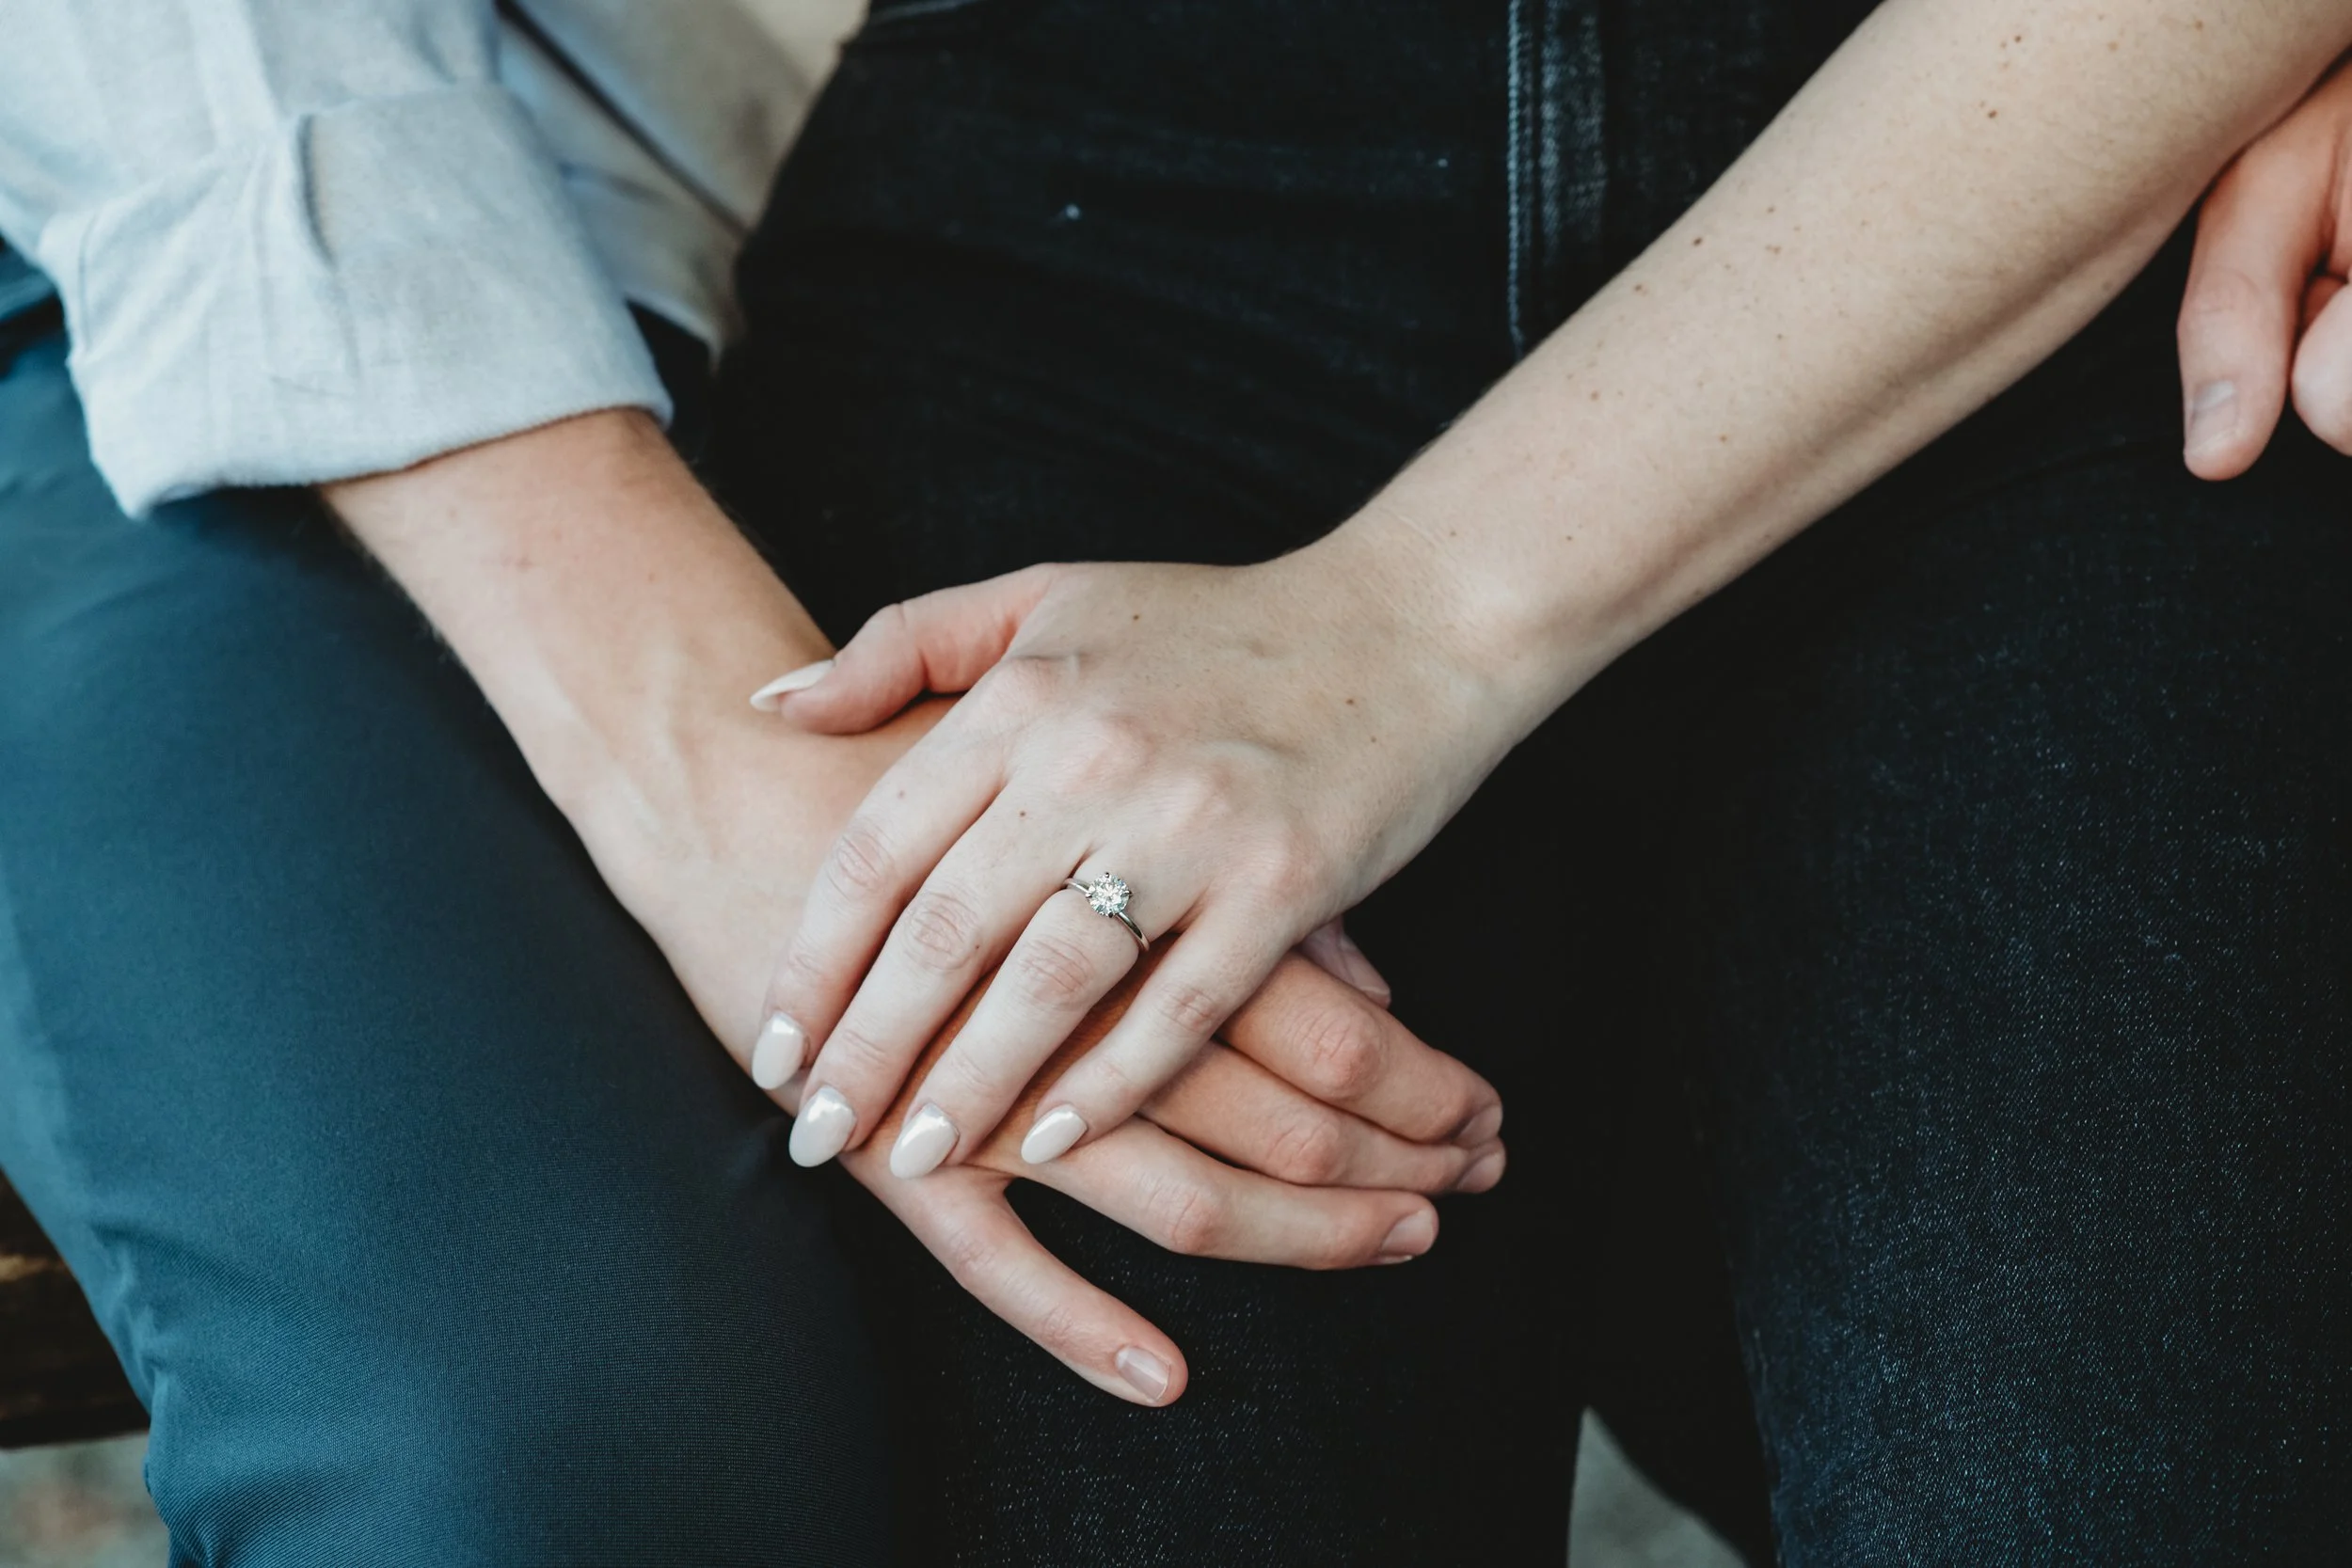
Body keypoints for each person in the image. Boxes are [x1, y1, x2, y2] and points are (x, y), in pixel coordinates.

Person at [1, 1, 2346, 1564]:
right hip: (1075, 209)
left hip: (2037, 176)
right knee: (1105, 1445)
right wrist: (691, 739)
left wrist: (1407, 619)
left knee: (2096, 1475)